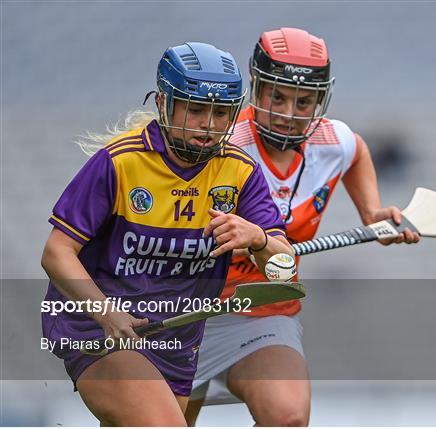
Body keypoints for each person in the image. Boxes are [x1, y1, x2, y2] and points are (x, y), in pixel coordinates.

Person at [41, 41, 292, 426]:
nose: (209, 125)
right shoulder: (120, 163)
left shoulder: (241, 173)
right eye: (195, 110)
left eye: (221, 113)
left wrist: (258, 238)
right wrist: (106, 314)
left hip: (176, 339)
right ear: (164, 102)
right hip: (100, 331)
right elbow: (56, 253)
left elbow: (285, 271)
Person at [186, 28, 420, 426]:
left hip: (262, 310)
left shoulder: (334, 141)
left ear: (320, 101)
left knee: (288, 416)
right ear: (256, 89)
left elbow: (357, 151)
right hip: (186, 309)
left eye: (304, 101)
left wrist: (371, 211)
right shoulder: (219, 143)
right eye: (277, 96)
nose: (289, 113)